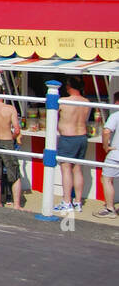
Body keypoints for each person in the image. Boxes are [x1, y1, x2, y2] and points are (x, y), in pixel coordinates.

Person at [55, 77, 90, 213]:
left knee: (66, 169)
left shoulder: (63, 101)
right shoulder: (86, 102)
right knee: (77, 169)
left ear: (69, 86)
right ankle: (78, 201)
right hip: (82, 136)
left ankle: (67, 201)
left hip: (68, 138)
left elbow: (53, 117)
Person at [94, 94, 119, 218]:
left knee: (106, 179)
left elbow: (106, 131)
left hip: (116, 153)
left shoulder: (115, 115)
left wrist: (105, 147)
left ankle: (109, 208)